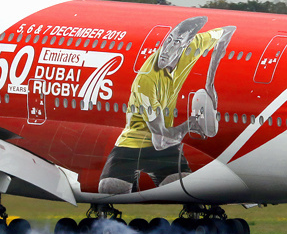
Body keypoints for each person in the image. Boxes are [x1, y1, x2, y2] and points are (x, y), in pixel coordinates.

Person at [97, 15, 235, 195]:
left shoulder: (195, 46)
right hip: (134, 145)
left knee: (189, 192)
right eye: (169, 39)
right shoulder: (146, 80)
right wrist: (189, 125)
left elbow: (228, 31)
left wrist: (210, 83)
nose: (167, 49)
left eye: (177, 42)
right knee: (109, 191)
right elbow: (160, 141)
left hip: (166, 145)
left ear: (186, 45)